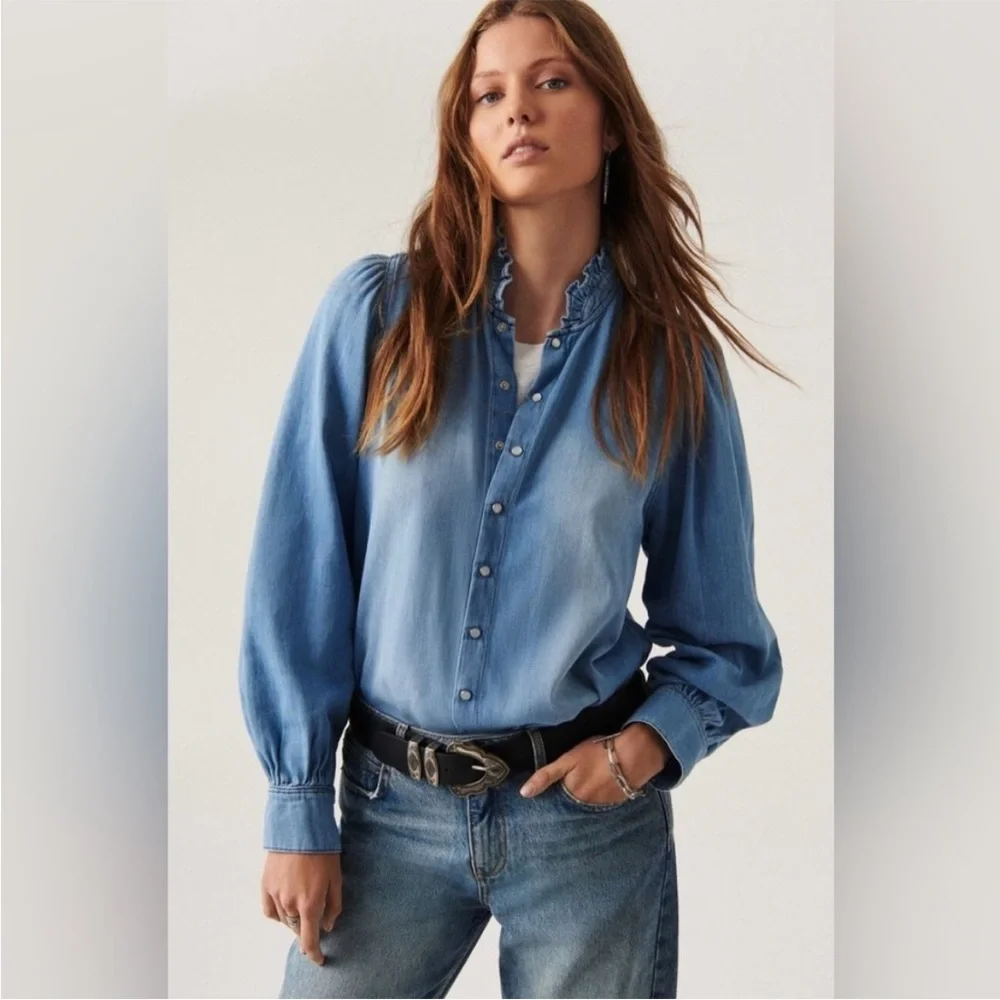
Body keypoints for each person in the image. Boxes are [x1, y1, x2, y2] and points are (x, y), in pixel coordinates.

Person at [238, 1, 790, 996]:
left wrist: (643, 748)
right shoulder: (378, 317)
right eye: (487, 95)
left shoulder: (666, 358)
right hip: (388, 812)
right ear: (465, 135)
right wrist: (296, 805)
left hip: (585, 828)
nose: (517, 111)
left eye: (551, 81)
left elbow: (725, 638)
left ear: (609, 120)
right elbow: (301, 569)